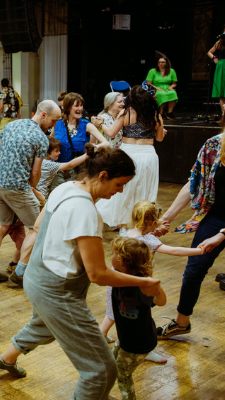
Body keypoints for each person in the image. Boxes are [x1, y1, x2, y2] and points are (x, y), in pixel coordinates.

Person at [0, 144, 161, 400]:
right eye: (119, 184)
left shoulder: (64, 188)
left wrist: (24, 266)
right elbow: (98, 274)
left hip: (37, 278)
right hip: (56, 291)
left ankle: (6, 359)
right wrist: (143, 281)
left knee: (45, 325)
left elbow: (38, 227)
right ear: (103, 175)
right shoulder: (86, 212)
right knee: (102, 371)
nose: (121, 191)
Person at [99, 201, 202, 364]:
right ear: (153, 222)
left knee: (113, 311)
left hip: (116, 279)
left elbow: (147, 225)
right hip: (138, 285)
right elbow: (174, 250)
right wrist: (199, 250)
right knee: (141, 317)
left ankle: (101, 336)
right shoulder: (149, 240)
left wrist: (156, 224)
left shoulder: (125, 232)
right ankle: (145, 350)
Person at [152, 117, 225, 340]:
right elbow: (193, 183)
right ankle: (181, 323)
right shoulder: (213, 145)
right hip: (216, 217)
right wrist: (165, 218)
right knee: (194, 271)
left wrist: (222, 236)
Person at [0, 100, 61, 283]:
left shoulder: (11, 126)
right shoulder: (41, 139)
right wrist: (32, 187)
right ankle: (20, 274)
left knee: (2, 226)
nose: (54, 125)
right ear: (43, 114)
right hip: (18, 188)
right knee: (38, 228)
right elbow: (36, 172)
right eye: (53, 121)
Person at [97, 85, 165, 228]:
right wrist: (162, 133)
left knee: (125, 191)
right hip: (148, 155)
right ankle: (142, 224)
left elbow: (110, 133)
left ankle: (123, 225)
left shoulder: (126, 113)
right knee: (145, 190)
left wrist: (100, 124)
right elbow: (159, 139)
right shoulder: (156, 115)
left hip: (128, 154)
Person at [109, 237, 167, 400]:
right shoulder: (119, 274)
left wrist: (157, 289)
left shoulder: (141, 285)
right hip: (126, 337)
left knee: (123, 374)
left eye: (113, 254)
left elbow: (161, 302)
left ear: (123, 262)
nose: (110, 257)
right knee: (115, 357)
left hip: (138, 342)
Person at [50, 92, 111, 192]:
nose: (80, 108)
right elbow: (50, 143)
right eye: (76, 106)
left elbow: (106, 143)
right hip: (58, 170)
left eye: (81, 105)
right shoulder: (58, 124)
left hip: (78, 172)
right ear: (68, 107)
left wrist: (92, 149)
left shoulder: (86, 125)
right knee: (56, 196)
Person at [34, 136, 89, 203]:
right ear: (47, 153)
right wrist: (87, 155)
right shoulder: (48, 164)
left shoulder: (41, 161)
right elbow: (70, 164)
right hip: (41, 195)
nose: (59, 153)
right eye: (56, 151)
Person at [208, 25, 225, 115]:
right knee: (221, 93)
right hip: (222, 66)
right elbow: (209, 52)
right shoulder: (220, 42)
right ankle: (224, 115)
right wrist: (214, 58)